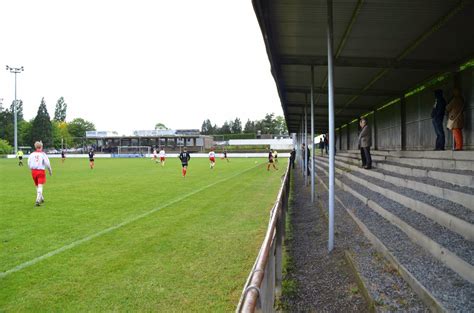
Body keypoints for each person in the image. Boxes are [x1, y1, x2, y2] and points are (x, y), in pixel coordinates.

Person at [28, 141, 52, 206]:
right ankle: (37, 200)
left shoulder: (32, 154)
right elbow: (47, 163)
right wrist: (50, 170)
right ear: (41, 147)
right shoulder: (43, 154)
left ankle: (41, 197)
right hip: (40, 171)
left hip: (33, 171)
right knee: (40, 185)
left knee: (37, 185)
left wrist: (31, 169)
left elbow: (29, 163)